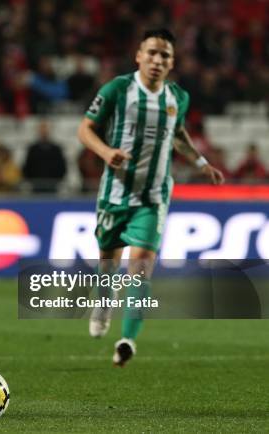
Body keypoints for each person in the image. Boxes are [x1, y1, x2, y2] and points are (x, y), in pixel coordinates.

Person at [77, 29, 223, 366]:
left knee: (141, 269)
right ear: (139, 56)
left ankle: (126, 340)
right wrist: (106, 152)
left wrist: (201, 163)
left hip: (154, 197)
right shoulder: (117, 89)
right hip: (115, 192)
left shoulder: (177, 98)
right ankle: (103, 301)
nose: (158, 60)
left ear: (172, 63)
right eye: (153, 53)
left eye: (165, 56)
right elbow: (85, 129)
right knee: (109, 265)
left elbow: (179, 133)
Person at [22, 120, 67, 193]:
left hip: (53, 186)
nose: (44, 131)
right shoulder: (33, 149)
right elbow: (27, 166)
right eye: (42, 129)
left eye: (45, 129)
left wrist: (56, 181)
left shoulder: (56, 149)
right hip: (36, 186)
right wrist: (32, 181)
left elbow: (62, 167)